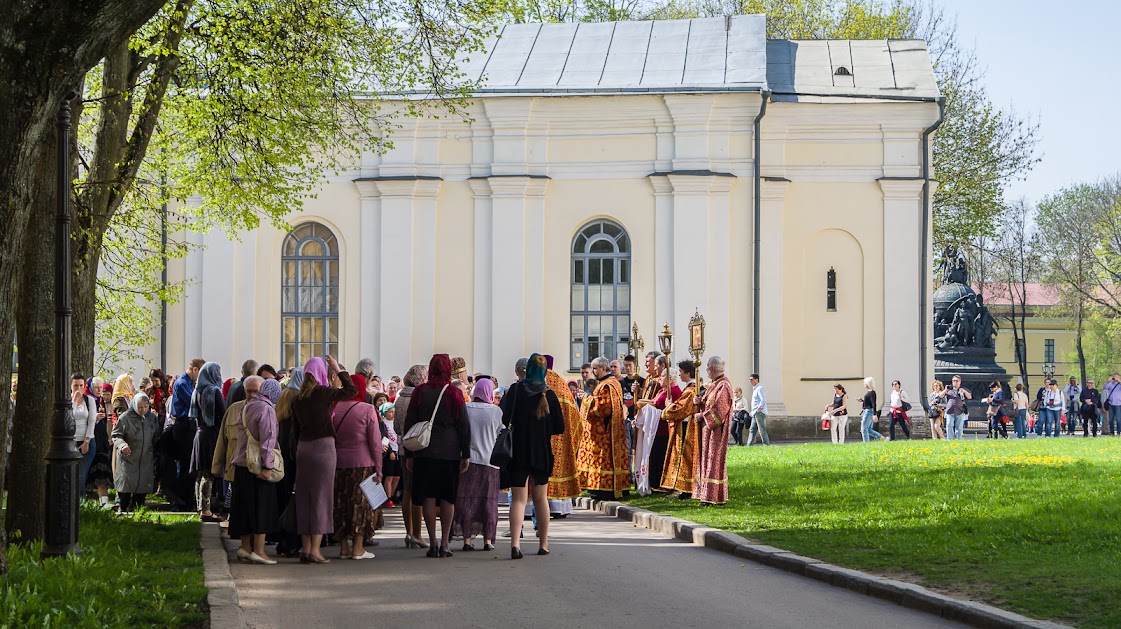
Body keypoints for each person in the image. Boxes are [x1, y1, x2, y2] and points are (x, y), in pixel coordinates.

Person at [403, 354, 470, 558]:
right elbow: (463, 425)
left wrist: (409, 454)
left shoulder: (420, 392)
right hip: (450, 452)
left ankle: (432, 542)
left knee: (429, 497)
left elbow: (410, 422)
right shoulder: (454, 393)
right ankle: (445, 543)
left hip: (424, 452)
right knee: (448, 498)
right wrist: (465, 453)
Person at [292, 356, 357, 564]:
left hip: (303, 448)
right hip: (323, 448)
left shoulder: (297, 397)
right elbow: (351, 391)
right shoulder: (323, 393)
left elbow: (295, 430)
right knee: (321, 498)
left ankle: (305, 548)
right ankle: (316, 551)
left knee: (304, 498)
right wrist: (337, 368)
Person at [504, 354, 565, 559]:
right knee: (541, 499)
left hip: (518, 451)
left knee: (518, 500)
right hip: (541, 451)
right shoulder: (549, 395)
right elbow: (559, 427)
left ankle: (515, 545)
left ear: (527, 369)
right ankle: (544, 544)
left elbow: (504, 417)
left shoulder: (515, 390)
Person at [230, 377, 281, 565]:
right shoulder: (267, 409)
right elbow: (268, 440)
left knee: (244, 507)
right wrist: (268, 466)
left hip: (243, 463)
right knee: (262, 507)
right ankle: (259, 550)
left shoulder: (247, 406)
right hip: (258, 465)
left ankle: (245, 547)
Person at [332, 373, 382, 560]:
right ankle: (358, 548)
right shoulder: (367, 409)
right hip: (363, 464)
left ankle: (344, 547)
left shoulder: (335, 407)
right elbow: (375, 443)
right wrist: (379, 468)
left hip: (338, 463)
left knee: (341, 504)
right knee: (360, 506)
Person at [456, 378, 503, 552]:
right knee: (489, 501)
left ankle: (467, 540)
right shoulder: (496, 411)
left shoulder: (465, 408)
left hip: (467, 461)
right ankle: (488, 540)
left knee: (467, 500)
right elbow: (500, 432)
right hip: (490, 462)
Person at [576, 357, 629, 499]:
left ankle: (605, 489)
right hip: (608, 430)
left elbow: (603, 408)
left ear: (603, 368)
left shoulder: (608, 385)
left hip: (605, 433)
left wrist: (585, 399)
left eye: (595, 369)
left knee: (603, 460)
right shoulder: (609, 383)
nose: (593, 372)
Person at [213, 376, 259, 518]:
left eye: (255, 391)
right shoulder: (233, 409)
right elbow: (222, 440)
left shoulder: (267, 410)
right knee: (237, 511)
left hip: (257, 469)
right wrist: (217, 467)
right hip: (234, 469)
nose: (251, 395)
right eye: (248, 391)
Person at [394, 364, 428, 549]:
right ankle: (417, 534)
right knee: (418, 492)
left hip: (402, 448)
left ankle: (408, 532)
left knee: (407, 491)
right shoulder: (418, 397)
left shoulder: (399, 398)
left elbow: (397, 428)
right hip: (417, 448)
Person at [693, 356, 733, 505]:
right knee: (707, 460)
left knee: (713, 461)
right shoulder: (715, 384)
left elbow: (720, 410)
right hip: (708, 431)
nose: (707, 371)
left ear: (712, 368)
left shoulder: (723, 385)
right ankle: (705, 494)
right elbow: (709, 402)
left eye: (708, 368)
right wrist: (700, 401)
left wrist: (702, 416)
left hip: (716, 432)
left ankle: (712, 497)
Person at [545, 355, 581, 516]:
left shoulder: (536, 381)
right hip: (561, 436)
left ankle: (530, 509)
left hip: (542, 435)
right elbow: (574, 415)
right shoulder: (560, 384)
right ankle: (559, 508)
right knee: (559, 468)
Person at [190, 362, 226, 521]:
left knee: (200, 473)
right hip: (211, 435)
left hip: (199, 434)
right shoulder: (214, 391)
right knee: (209, 473)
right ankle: (206, 511)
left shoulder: (196, 391)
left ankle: (200, 507)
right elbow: (222, 415)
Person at [111, 393, 160, 512]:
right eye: (140, 407)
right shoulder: (125, 417)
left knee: (142, 486)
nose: (143, 410)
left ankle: (137, 512)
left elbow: (156, 436)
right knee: (126, 484)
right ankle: (122, 509)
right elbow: (116, 435)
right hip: (128, 457)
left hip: (145, 457)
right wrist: (122, 445)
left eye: (145, 406)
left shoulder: (151, 418)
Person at [167, 359, 203, 511]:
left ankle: (185, 500)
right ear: (195, 370)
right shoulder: (182, 383)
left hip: (187, 425)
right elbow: (193, 402)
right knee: (184, 464)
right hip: (183, 425)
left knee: (187, 463)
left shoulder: (186, 382)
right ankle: (180, 501)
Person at [660, 360, 699, 497]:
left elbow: (681, 409)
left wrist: (668, 408)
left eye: (681, 372)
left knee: (685, 458)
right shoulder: (690, 389)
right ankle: (681, 487)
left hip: (687, 428)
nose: (680, 375)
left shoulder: (691, 390)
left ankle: (686, 488)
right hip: (684, 426)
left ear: (688, 373)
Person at [71, 373, 98, 496]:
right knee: (70, 476)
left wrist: (86, 442)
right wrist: (74, 400)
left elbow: (92, 420)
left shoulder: (89, 400)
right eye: (75, 385)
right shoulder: (67, 400)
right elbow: (67, 417)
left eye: (81, 385)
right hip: (70, 441)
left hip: (86, 441)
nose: (78, 388)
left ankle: (79, 506)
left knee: (80, 477)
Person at [88, 381, 114, 507]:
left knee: (101, 472)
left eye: (100, 387)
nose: (99, 390)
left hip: (102, 441)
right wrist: (94, 418)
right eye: (96, 388)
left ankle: (104, 502)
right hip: (91, 440)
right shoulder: (87, 400)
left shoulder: (101, 401)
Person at [378, 402, 401, 506]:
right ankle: (388, 498)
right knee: (389, 476)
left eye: (394, 412)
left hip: (398, 450)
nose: (393, 414)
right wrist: (390, 451)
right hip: (389, 452)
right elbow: (384, 437)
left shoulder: (396, 422)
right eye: (390, 412)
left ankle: (391, 495)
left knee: (397, 477)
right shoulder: (383, 423)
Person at [942, 375, 972, 440]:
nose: (955, 382)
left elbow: (969, 397)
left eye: (957, 381)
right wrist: (945, 390)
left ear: (960, 382)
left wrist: (964, 392)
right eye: (954, 381)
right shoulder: (949, 389)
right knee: (949, 425)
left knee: (959, 427)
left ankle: (959, 439)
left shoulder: (963, 389)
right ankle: (950, 439)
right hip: (950, 410)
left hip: (960, 410)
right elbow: (940, 396)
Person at [747, 373, 770, 446]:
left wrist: (758, 409)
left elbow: (762, 399)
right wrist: (753, 411)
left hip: (759, 412)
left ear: (756, 380)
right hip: (755, 413)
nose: (750, 381)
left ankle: (766, 445)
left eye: (751, 379)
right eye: (749, 380)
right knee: (752, 430)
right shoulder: (755, 389)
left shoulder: (760, 388)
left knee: (761, 430)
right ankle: (749, 445)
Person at [860, 377, 884, 442]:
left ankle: (866, 444)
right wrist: (863, 400)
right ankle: (882, 438)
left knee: (864, 429)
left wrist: (874, 414)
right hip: (867, 410)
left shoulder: (872, 392)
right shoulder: (869, 392)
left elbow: (874, 404)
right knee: (868, 429)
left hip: (869, 411)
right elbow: (870, 402)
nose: (864, 384)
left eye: (865, 382)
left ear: (868, 383)